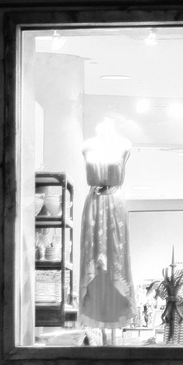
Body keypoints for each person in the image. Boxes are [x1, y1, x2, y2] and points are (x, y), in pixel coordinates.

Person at [77, 123, 135, 343]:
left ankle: (113, 330)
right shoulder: (88, 145)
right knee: (93, 262)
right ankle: (97, 329)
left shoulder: (124, 144)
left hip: (115, 205)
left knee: (116, 261)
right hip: (93, 205)